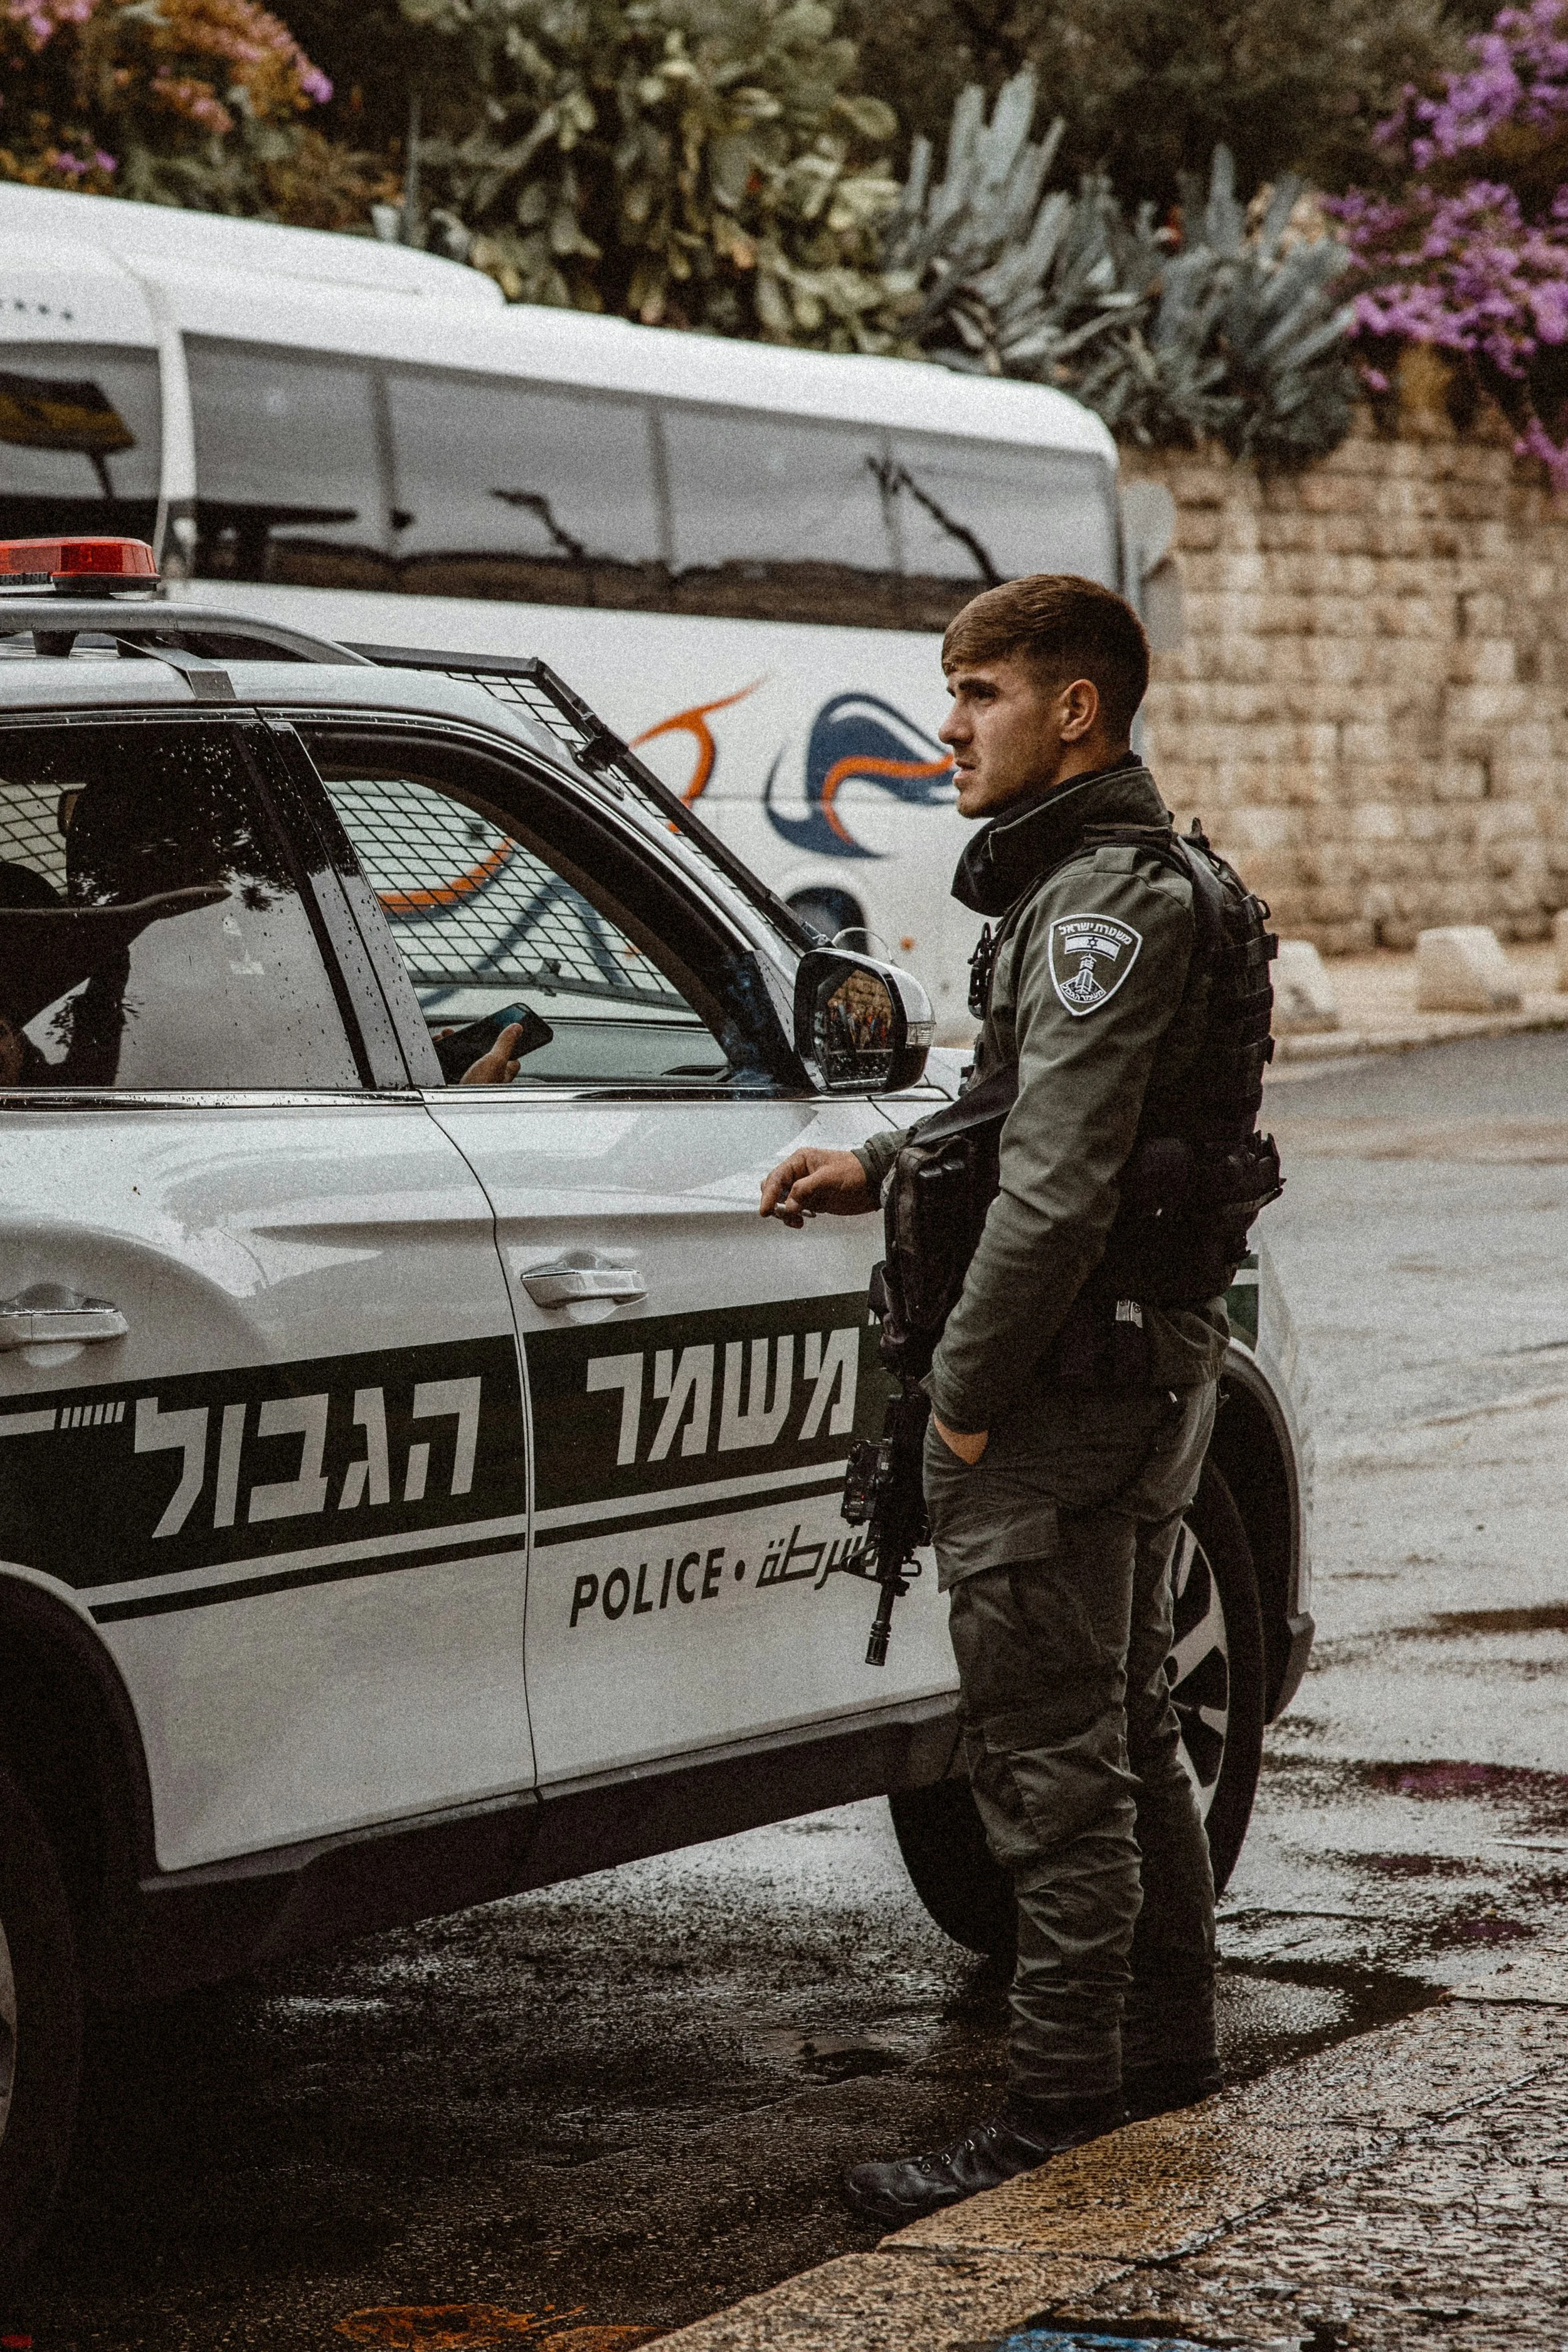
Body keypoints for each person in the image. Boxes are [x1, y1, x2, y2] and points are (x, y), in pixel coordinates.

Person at [760, 574, 1239, 2228]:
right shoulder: (1097, 885)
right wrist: (876, 1161)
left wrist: (954, 1404)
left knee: (1046, 1771)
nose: (946, 726)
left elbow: (1052, 1184)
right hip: (1129, 1366)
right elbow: (1013, 1111)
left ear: (1075, 710)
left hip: (1060, 1382)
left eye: (975, 692)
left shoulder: (1104, 901)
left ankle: (1051, 2117)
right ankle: (1160, 2062)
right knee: (1115, 1729)